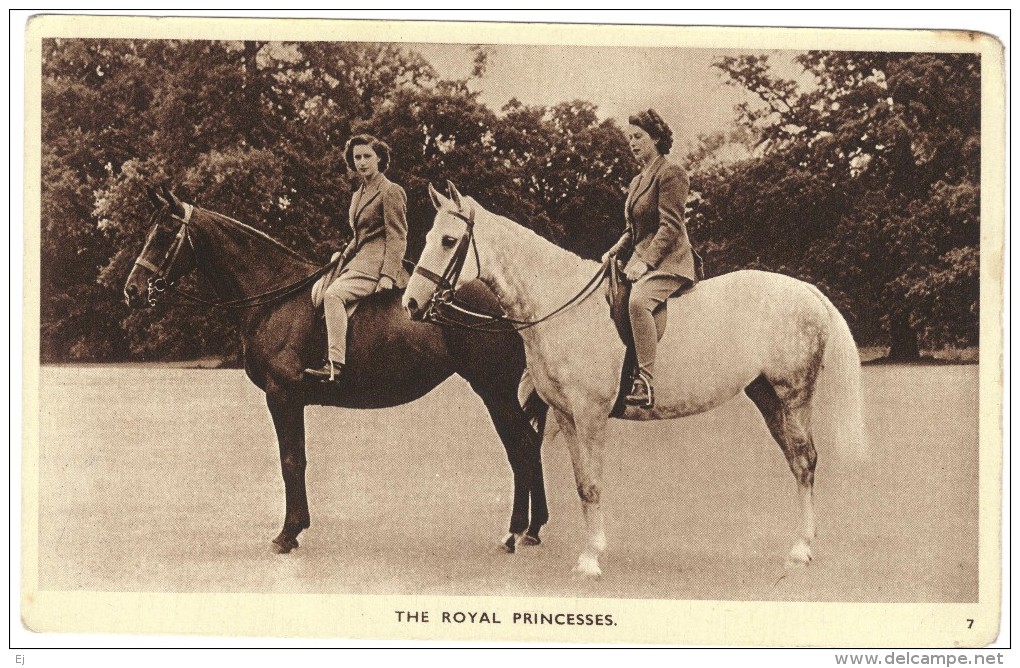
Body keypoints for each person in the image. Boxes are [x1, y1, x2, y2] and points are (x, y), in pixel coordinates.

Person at [602, 109, 700, 408]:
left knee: (638, 301)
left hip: (669, 260)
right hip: (639, 256)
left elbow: (670, 225)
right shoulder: (636, 181)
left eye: (638, 137)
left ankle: (645, 381)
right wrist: (615, 250)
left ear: (656, 138)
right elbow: (633, 230)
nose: (632, 143)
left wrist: (646, 262)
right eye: (629, 138)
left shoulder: (671, 173)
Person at [304, 134, 409, 384]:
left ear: (379, 158)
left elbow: (397, 236)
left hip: (377, 261)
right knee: (319, 292)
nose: (361, 162)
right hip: (359, 258)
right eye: (357, 157)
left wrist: (388, 274)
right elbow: (360, 235)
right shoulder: (358, 193)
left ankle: (335, 364)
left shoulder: (391, 191)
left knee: (333, 295)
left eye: (367, 156)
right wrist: (344, 254)